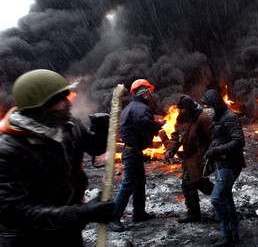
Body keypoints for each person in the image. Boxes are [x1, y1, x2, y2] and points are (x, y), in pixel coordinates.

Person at [0, 69, 115, 246]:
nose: (68, 104)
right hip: (28, 238)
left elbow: (93, 147)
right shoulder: (10, 149)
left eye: (66, 97)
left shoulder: (68, 126)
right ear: (39, 107)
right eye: (60, 100)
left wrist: (102, 130)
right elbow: (13, 210)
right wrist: (79, 213)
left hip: (68, 232)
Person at [110, 79, 165, 232]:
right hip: (132, 152)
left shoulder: (131, 107)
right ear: (145, 92)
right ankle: (114, 217)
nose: (151, 93)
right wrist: (159, 124)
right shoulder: (140, 108)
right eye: (149, 91)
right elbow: (144, 124)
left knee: (139, 182)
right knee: (128, 184)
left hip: (133, 151)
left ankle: (139, 213)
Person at [202, 89, 246, 247]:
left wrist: (217, 151)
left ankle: (226, 233)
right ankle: (233, 232)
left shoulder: (230, 117)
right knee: (226, 197)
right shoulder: (217, 116)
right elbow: (218, 139)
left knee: (217, 198)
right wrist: (209, 153)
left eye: (207, 106)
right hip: (221, 163)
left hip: (229, 164)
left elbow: (239, 141)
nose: (205, 109)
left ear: (215, 104)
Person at [164, 95, 214, 223]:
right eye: (179, 109)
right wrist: (171, 149)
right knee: (190, 184)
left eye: (183, 109)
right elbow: (177, 137)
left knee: (194, 182)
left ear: (190, 107)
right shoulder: (181, 118)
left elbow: (213, 139)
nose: (180, 112)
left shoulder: (203, 118)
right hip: (189, 158)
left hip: (200, 157)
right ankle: (195, 212)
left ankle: (220, 196)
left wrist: (210, 156)